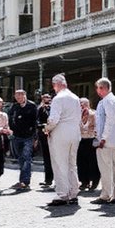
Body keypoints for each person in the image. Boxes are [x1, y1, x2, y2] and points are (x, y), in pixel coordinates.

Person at [44, 74, 81, 206]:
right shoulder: (75, 98)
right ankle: (74, 192)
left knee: (60, 163)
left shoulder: (58, 98)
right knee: (72, 164)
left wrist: (47, 128)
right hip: (75, 132)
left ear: (56, 85)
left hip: (61, 133)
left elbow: (54, 119)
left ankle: (62, 194)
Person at [91, 77, 115, 206]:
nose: (98, 91)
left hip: (107, 141)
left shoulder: (107, 101)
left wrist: (103, 138)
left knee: (106, 168)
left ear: (105, 88)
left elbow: (108, 121)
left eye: (100, 88)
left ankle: (105, 195)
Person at [7, 89, 37, 190]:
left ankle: (25, 181)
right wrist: (11, 130)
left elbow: (35, 122)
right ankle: (22, 179)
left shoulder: (32, 106)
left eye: (20, 96)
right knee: (20, 158)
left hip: (28, 136)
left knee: (26, 157)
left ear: (24, 95)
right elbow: (10, 118)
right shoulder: (15, 106)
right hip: (16, 136)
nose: (18, 98)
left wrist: (34, 136)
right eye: (16, 97)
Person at [77, 97, 100, 191]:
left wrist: (97, 138)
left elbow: (97, 127)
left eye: (82, 104)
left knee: (92, 162)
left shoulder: (93, 114)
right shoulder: (77, 114)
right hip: (81, 140)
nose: (80, 106)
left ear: (87, 104)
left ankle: (94, 181)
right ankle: (84, 181)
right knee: (81, 162)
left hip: (91, 140)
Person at [36, 93, 54, 188]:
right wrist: (43, 126)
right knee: (47, 158)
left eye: (49, 98)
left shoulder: (54, 108)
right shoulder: (40, 109)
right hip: (44, 134)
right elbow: (37, 121)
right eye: (45, 98)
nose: (47, 99)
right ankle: (48, 180)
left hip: (54, 135)